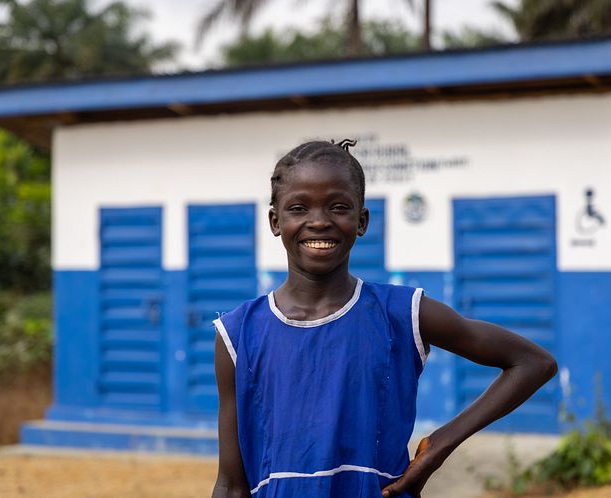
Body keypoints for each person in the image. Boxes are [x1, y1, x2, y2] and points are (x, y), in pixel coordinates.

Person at [211, 140, 557, 498]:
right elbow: (231, 484)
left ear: (361, 221)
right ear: (275, 221)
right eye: (299, 208)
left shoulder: (401, 313)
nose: (319, 222)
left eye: (338, 207)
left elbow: (533, 363)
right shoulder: (239, 335)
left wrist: (438, 446)